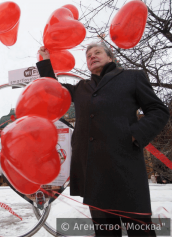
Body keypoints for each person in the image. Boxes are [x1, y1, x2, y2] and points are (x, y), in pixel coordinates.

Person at [37, 43, 169, 236]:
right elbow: (53, 90)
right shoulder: (82, 87)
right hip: (94, 173)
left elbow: (158, 110)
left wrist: (135, 135)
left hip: (125, 168)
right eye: (88, 55)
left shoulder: (132, 77)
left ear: (110, 57)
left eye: (97, 52)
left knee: (140, 230)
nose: (92, 56)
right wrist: (45, 61)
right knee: (105, 231)